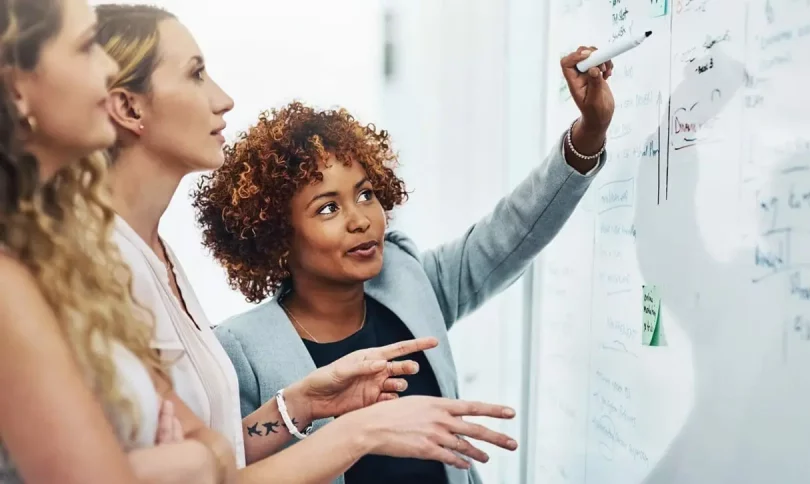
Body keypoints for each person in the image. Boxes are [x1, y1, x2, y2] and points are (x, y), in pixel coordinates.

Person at [96, 4, 520, 483]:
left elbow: (218, 454)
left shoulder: (159, 257)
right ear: (128, 107)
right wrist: (362, 431)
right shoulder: (96, 270)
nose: (224, 99)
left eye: (365, 195)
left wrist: (300, 404)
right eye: (196, 74)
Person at [194, 46, 615, 484]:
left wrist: (590, 132)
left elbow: (511, 233)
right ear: (278, 237)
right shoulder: (241, 349)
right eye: (326, 209)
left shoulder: (406, 279)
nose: (360, 220)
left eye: (364, 194)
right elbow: (223, 468)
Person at [0, 0, 235, 482]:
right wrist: (190, 462)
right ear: (16, 89)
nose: (107, 70)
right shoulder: (9, 283)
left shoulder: (58, 258)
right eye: (87, 47)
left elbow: (213, 444)